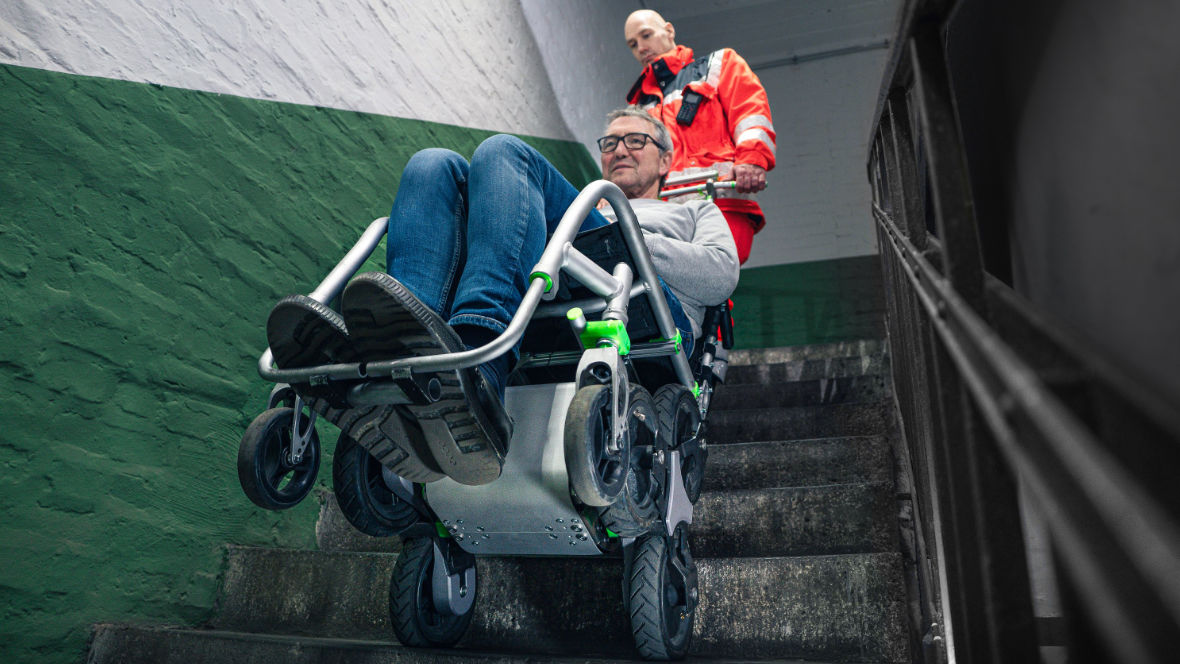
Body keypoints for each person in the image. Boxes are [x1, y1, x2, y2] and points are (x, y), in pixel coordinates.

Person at [265, 108, 738, 486]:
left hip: (641, 298)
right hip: (554, 278)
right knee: (433, 165)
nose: (620, 149)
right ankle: (407, 349)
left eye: (636, 140)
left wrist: (630, 235)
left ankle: (478, 360)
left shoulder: (694, 211)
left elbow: (721, 275)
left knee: (503, 151)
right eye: (610, 142)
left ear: (666, 160)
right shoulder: (579, 202)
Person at [623, 9, 775, 264]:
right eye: (633, 44)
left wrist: (751, 159)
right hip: (664, 216)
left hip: (721, 204)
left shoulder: (720, 65)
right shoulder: (638, 105)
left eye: (646, 35)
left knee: (708, 281)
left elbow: (750, 113)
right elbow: (627, 161)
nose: (641, 47)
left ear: (669, 30)